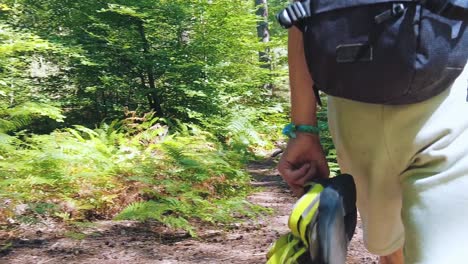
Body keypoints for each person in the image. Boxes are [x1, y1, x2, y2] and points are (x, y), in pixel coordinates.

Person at [277, 19, 468, 264]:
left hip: (355, 102)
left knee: (391, 246)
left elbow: (303, 18)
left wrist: (304, 130)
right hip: (445, 88)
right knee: (448, 239)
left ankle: (324, 232)